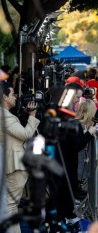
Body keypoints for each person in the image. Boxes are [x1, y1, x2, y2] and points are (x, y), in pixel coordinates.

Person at [0, 81, 40, 233]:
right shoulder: (5, 116)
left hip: (8, 162)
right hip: (15, 165)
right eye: (12, 94)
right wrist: (33, 115)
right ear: (4, 96)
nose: (16, 97)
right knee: (11, 205)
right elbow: (25, 134)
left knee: (8, 204)